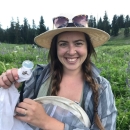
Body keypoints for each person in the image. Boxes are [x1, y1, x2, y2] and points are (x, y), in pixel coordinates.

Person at [0, 14, 117, 130]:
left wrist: (46, 122)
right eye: (63, 44)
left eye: (78, 43)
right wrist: (10, 89)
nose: (71, 52)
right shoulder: (37, 76)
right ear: (55, 48)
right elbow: (15, 116)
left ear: (88, 47)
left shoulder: (102, 87)